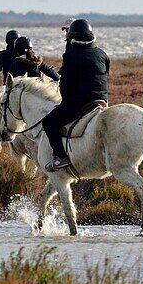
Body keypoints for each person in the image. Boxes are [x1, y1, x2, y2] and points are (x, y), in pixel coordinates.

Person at [42, 19, 110, 172]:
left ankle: (60, 157)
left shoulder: (72, 56)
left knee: (49, 122)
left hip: (81, 101)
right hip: (102, 100)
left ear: (73, 36)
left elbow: (65, 85)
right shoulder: (102, 54)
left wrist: (65, 103)